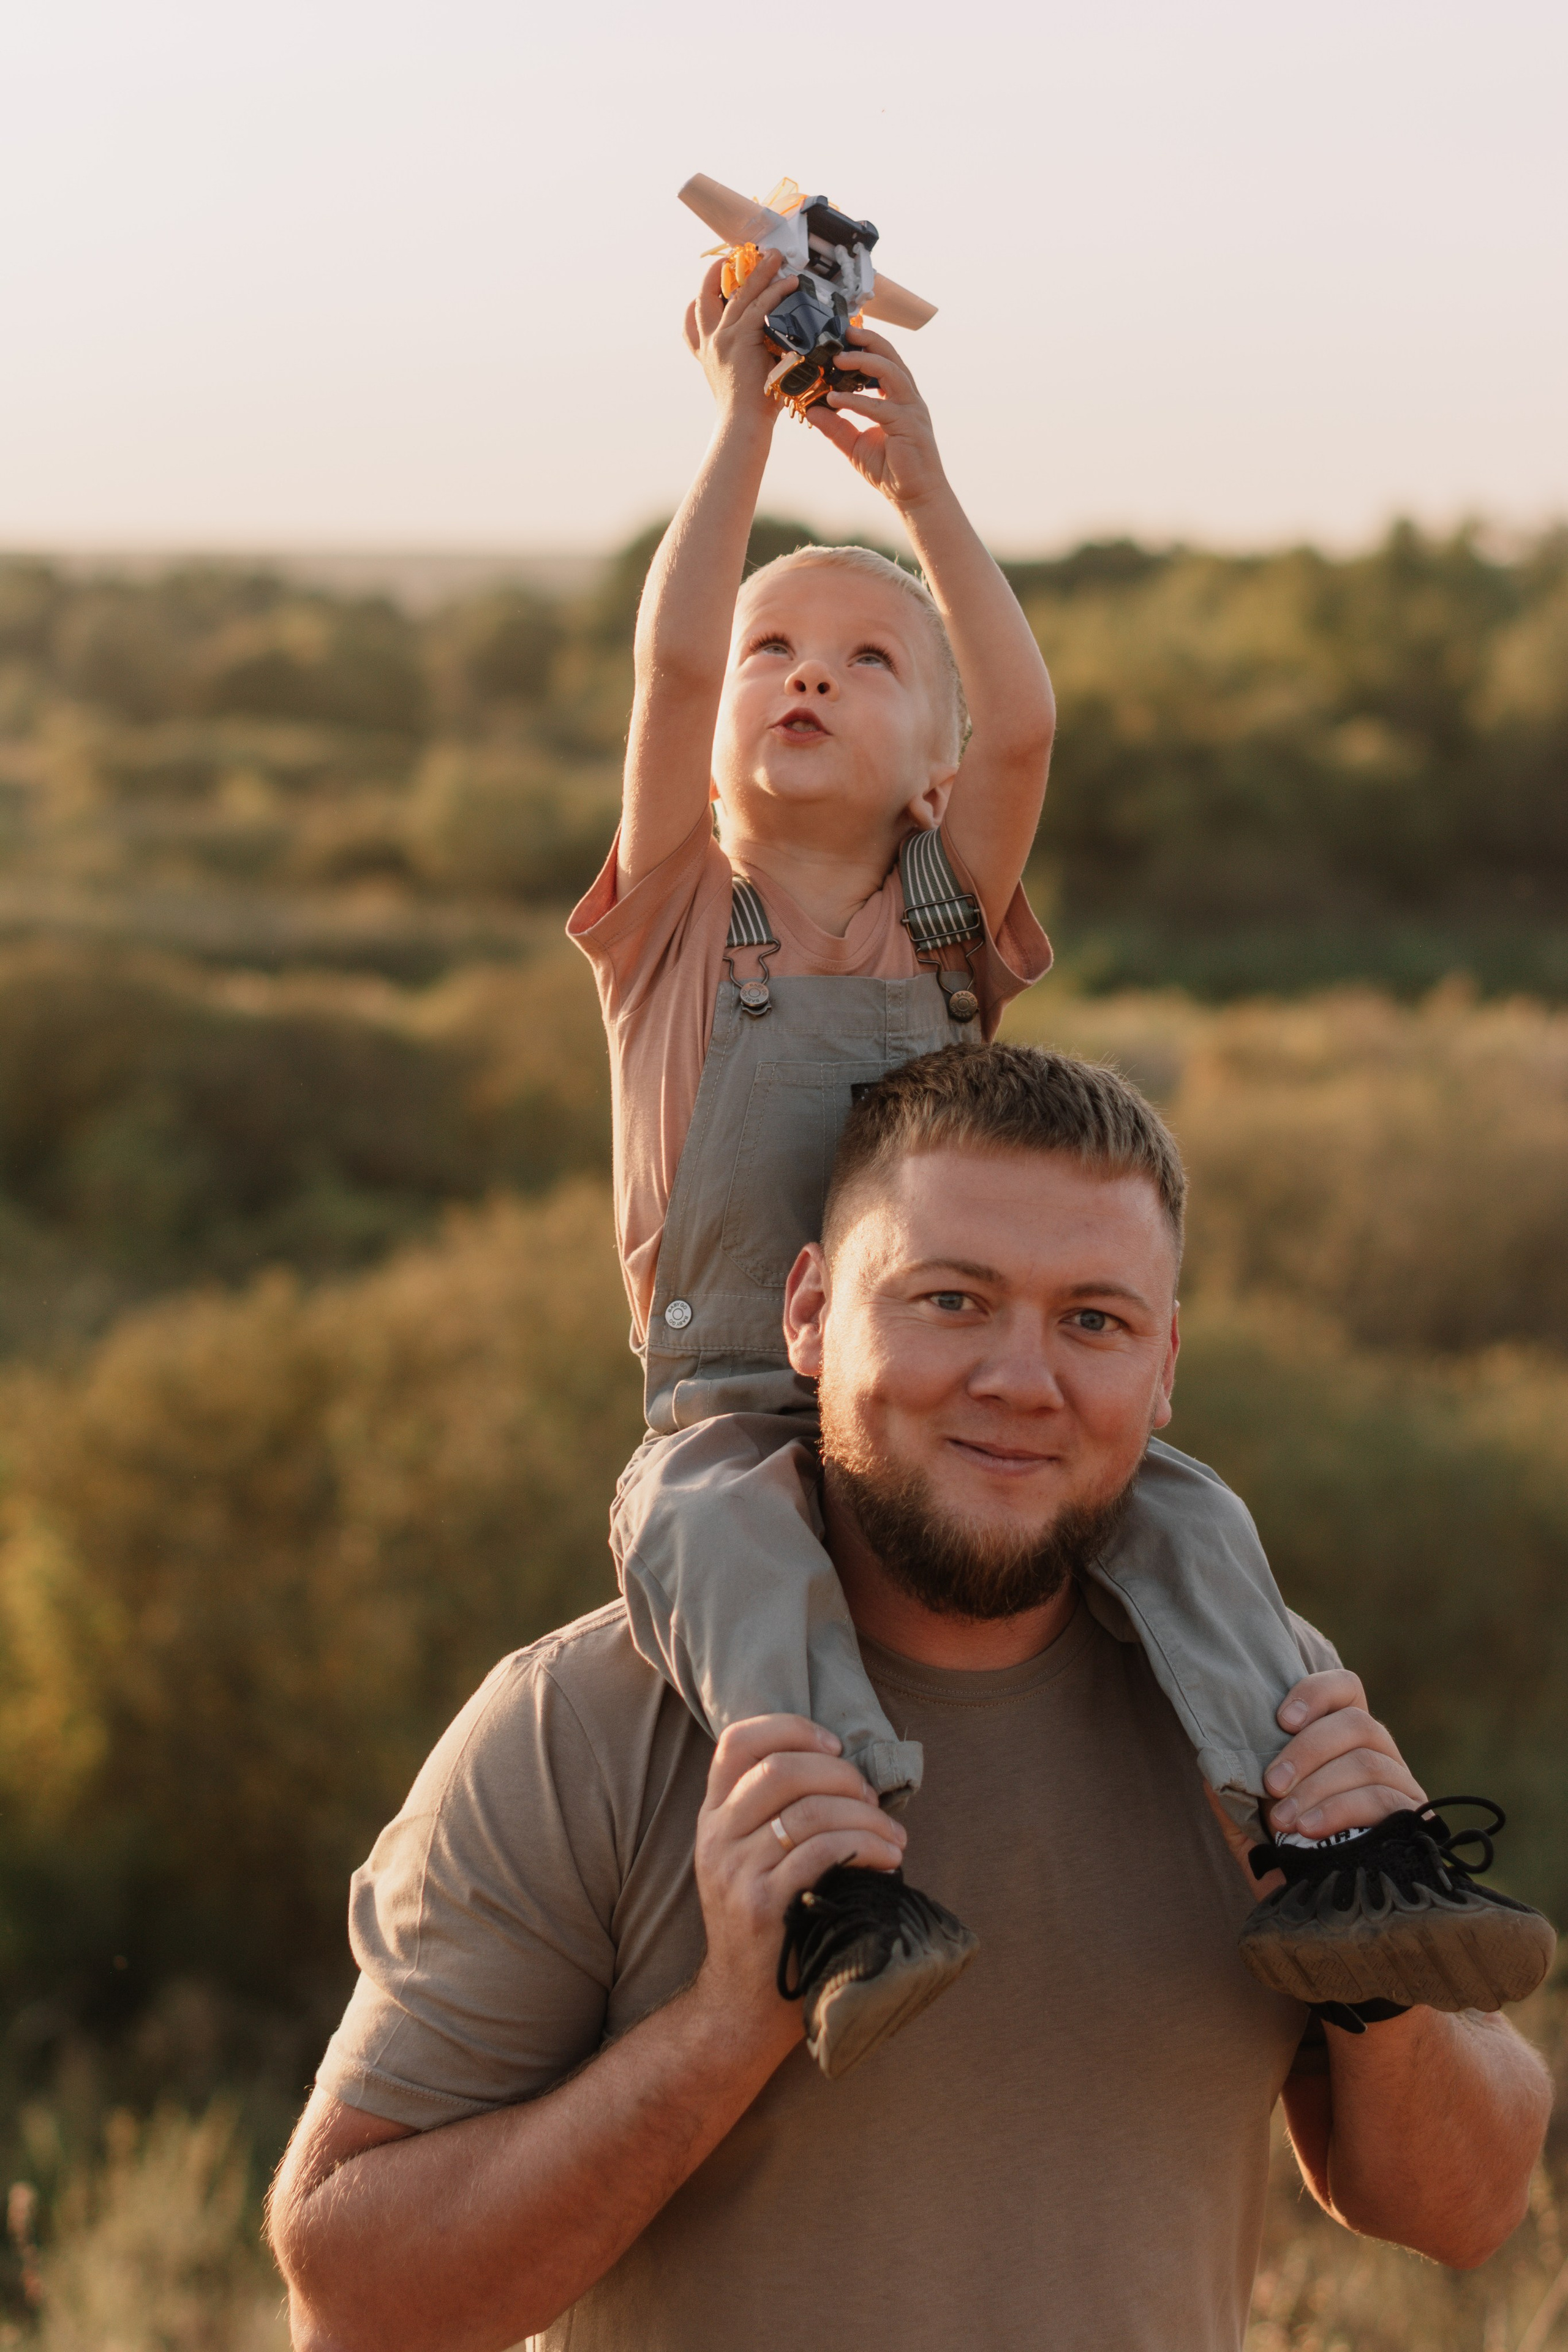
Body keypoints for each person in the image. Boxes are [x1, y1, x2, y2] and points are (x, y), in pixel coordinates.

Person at [561, 242, 1553, 2071]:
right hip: (731, 1393)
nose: (800, 675)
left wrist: (919, 487)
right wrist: (731, 431)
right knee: (719, 1545)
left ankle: (1332, 1847)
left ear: (933, 768)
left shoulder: (949, 924)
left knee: (1186, 1511)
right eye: (775, 654)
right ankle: (851, 1891)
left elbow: (1027, 716)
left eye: (867, 663)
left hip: (944, 1375)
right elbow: (674, 645)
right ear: (712, 741)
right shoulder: (683, 927)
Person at [268, 1047, 1553, 2352]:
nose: (1018, 1379)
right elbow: (355, 2300)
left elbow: (1467, 2211)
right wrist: (727, 2024)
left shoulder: (1256, 1703)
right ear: (811, 1312)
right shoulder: (582, 1723)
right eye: (950, 1300)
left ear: (1162, 1367)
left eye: (1091, 1321)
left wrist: (1377, 1985)